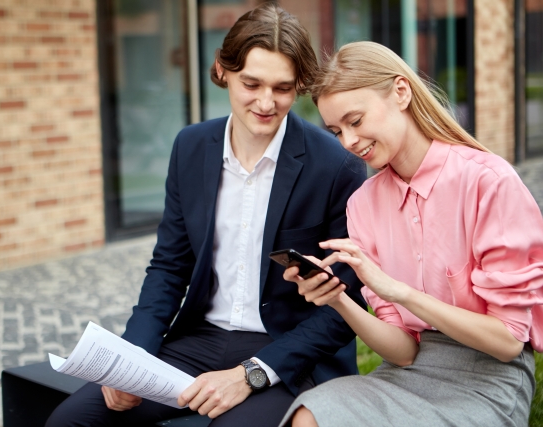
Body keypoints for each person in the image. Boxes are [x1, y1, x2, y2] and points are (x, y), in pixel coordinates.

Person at [46, 4, 366, 427]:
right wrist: (131, 356)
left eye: (282, 88)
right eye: (251, 83)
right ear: (223, 70)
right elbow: (168, 266)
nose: (266, 102)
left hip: (288, 352)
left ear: (299, 85)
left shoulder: (336, 163)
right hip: (199, 339)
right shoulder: (191, 146)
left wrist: (252, 373)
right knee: (69, 422)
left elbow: (345, 303)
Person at [279, 40, 543, 427]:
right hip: (408, 373)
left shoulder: (487, 181)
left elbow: (506, 342)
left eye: (356, 121)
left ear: (401, 92)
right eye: (336, 130)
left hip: (488, 376)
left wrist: (399, 292)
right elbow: (402, 353)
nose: (349, 142)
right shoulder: (363, 205)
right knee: (309, 415)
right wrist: (338, 300)